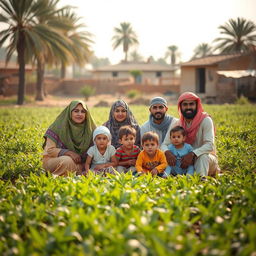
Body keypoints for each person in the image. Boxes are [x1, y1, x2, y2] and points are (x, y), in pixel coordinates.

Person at [161, 92, 219, 176]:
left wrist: (193, 154)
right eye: (185, 104)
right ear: (180, 107)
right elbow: (164, 144)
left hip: (205, 160)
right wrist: (167, 152)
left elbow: (210, 145)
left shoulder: (205, 120)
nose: (188, 107)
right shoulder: (178, 123)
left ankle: (201, 180)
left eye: (191, 104)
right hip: (183, 163)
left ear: (196, 105)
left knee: (202, 157)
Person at [43, 100, 96, 176]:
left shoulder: (90, 129)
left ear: (86, 114)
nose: (79, 114)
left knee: (89, 166)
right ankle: (60, 176)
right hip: (54, 160)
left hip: (81, 163)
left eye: (83, 111)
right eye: (76, 111)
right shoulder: (57, 127)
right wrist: (69, 153)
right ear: (70, 112)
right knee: (67, 161)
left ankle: (77, 172)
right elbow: (49, 150)